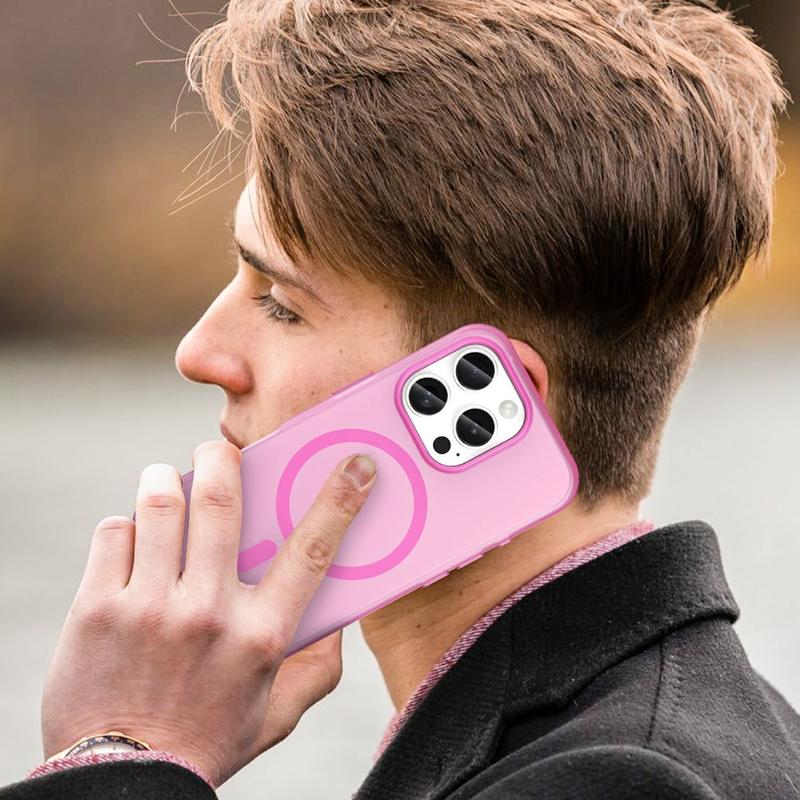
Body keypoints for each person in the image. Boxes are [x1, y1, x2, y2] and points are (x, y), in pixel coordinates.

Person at [2, 0, 798, 797]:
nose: (199, 353)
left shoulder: (614, 782)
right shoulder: (690, 733)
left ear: (494, 411)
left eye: (281, 304)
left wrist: (123, 751)